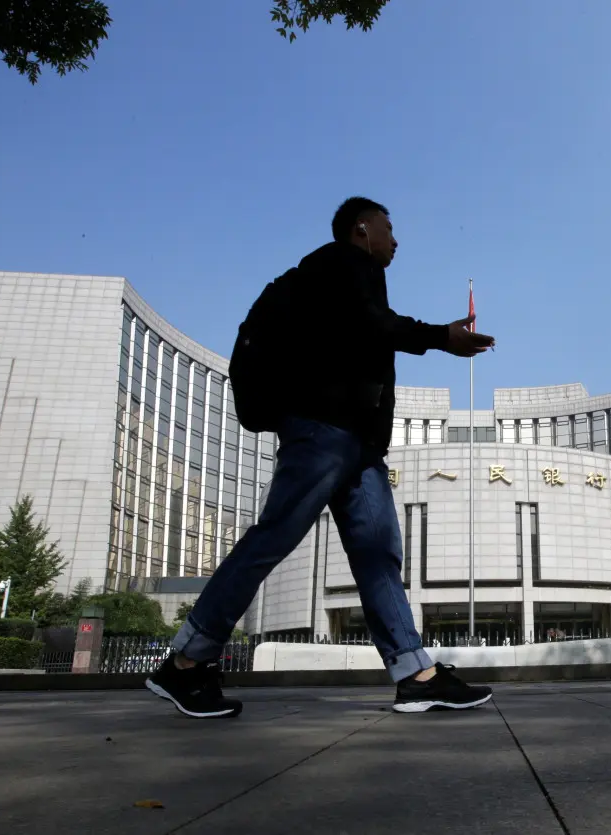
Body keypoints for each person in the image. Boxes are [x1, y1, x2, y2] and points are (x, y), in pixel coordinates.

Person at [146, 197, 497, 718]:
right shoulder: (342, 263)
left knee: (378, 554)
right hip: (324, 432)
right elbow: (375, 326)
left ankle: (415, 674)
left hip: (356, 445)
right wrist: (440, 338)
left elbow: (366, 336)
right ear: (362, 229)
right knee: (275, 536)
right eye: (388, 228)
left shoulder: (344, 272)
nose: (395, 240)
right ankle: (186, 663)